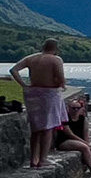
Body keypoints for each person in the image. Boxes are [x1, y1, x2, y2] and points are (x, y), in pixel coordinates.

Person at [9, 39, 68, 168]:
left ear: (43, 46)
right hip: (49, 94)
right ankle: (43, 159)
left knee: (36, 128)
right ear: (56, 48)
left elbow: (13, 70)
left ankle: (33, 159)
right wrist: (62, 84)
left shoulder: (31, 58)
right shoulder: (56, 60)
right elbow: (61, 79)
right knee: (48, 126)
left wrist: (24, 85)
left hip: (32, 93)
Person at [52, 96, 91, 175]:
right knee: (85, 147)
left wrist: (88, 143)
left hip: (81, 140)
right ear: (69, 108)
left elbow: (86, 135)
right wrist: (86, 144)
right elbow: (70, 134)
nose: (75, 110)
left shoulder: (83, 119)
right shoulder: (65, 119)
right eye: (73, 108)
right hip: (65, 141)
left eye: (78, 108)